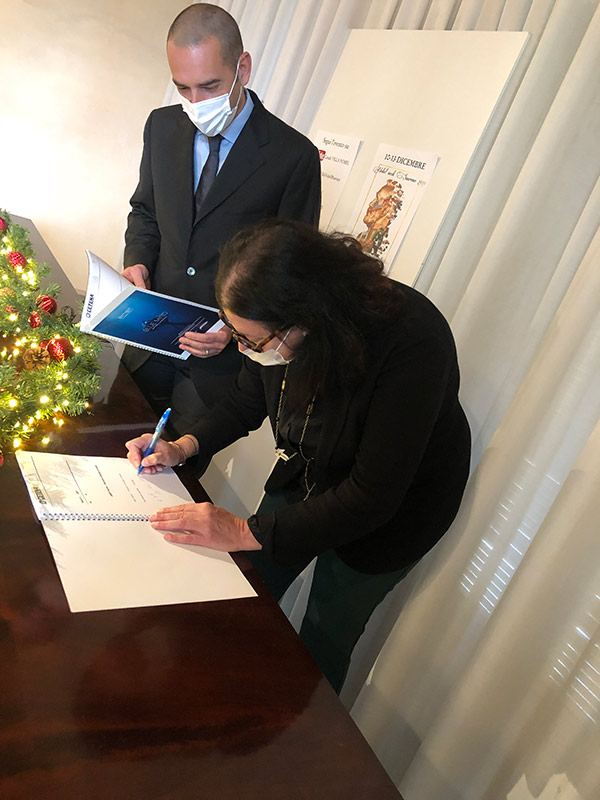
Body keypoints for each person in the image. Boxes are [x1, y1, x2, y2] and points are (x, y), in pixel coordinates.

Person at [125, 219, 471, 694]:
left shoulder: (413, 340)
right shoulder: (273, 327)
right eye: (236, 333)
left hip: (394, 510)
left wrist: (241, 530)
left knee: (323, 635)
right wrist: (182, 446)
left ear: (305, 319)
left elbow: (372, 496)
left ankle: (298, 726)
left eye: (253, 341)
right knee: (250, 588)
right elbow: (244, 401)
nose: (244, 349)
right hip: (310, 468)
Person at [121, 3, 321, 436]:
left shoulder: (293, 156)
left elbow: (293, 272)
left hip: (217, 369)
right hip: (148, 340)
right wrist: (137, 259)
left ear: (242, 68)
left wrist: (232, 328)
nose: (195, 102)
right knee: (119, 443)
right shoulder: (161, 127)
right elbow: (146, 211)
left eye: (210, 86)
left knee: (179, 469)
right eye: (183, 88)